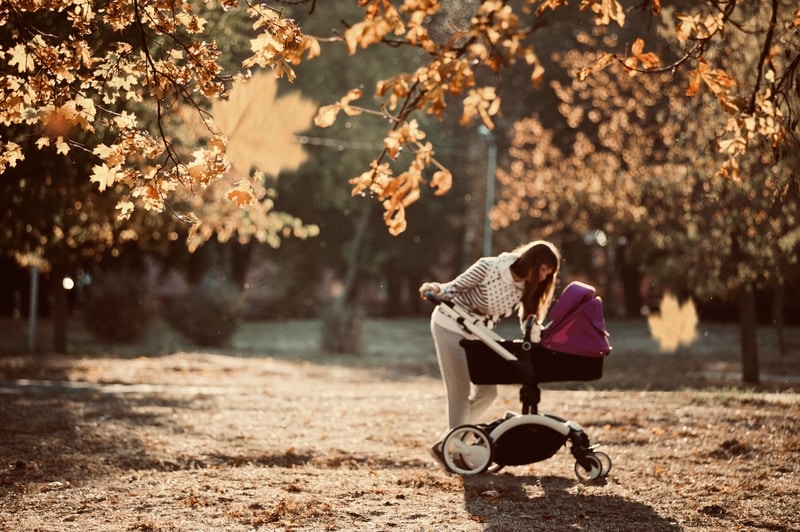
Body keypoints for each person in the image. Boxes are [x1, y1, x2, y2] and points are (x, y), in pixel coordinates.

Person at [419, 240, 561, 468]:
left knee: (488, 392)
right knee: (460, 393)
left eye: (549, 273)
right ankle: (453, 454)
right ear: (532, 262)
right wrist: (435, 288)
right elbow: (453, 288)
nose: (545, 277)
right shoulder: (490, 267)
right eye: (544, 269)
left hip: (478, 333)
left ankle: (449, 443)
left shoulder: (527, 288)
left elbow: (529, 321)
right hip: (450, 325)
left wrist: (539, 338)